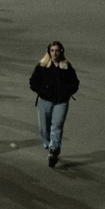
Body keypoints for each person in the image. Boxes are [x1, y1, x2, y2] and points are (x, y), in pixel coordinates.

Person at [29, 40, 79, 168]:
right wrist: (42, 91)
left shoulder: (67, 67)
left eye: (57, 50)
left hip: (61, 102)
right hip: (44, 101)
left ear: (61, 52)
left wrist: (67, 93)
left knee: (57, 126)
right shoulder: (42, 66)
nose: (54, 53)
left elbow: (75, 82)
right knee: (44, 128)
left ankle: (53, 150)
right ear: (49, 52)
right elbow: (33, 81)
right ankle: (48, 143)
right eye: (52, 51)